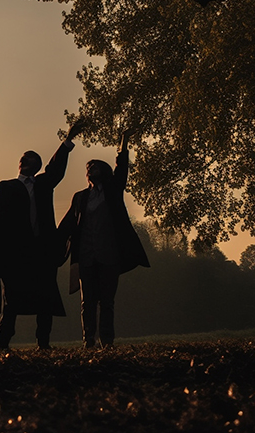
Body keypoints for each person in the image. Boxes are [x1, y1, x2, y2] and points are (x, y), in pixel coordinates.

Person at [0, 122, 82, 350]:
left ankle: (43, 342)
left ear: (38, 166)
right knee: (11, 299)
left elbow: (56, 167)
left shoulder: (43, 184)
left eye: (33, 160)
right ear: (19, 164)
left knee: (45, 297)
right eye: (25, 158)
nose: (27, 161)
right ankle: (3, 343)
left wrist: (68, 140)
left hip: (42, 250)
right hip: (16, 252)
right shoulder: (6, 186)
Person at [57, 129, 149, 348]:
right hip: (86, 256)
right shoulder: (80, 197)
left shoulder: (113, 190)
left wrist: (124, 142)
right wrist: (53, 241)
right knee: (87, 302)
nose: (90, 169)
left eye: (95, 166)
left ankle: (107, 341)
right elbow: (67, 224)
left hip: (109, 255)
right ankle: (88, 341)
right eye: (88, 168)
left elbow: (122, 168)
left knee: (106, 302)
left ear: (105, 171)